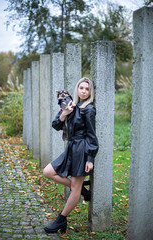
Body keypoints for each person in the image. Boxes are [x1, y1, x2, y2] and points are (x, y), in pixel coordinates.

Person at [43, 77, 99, 234]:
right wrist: (64, 113)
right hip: (71, 147)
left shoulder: (89, 109)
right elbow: (56, 125)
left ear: (91, 92)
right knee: (48, 171)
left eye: (87, 89)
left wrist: (90, 158)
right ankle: (81, 190)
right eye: (81, 88)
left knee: (75, 186)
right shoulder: (71, 105)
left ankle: (61, 219)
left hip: (81, 149)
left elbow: (91, 135)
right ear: (77, 89)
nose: (83, 91)